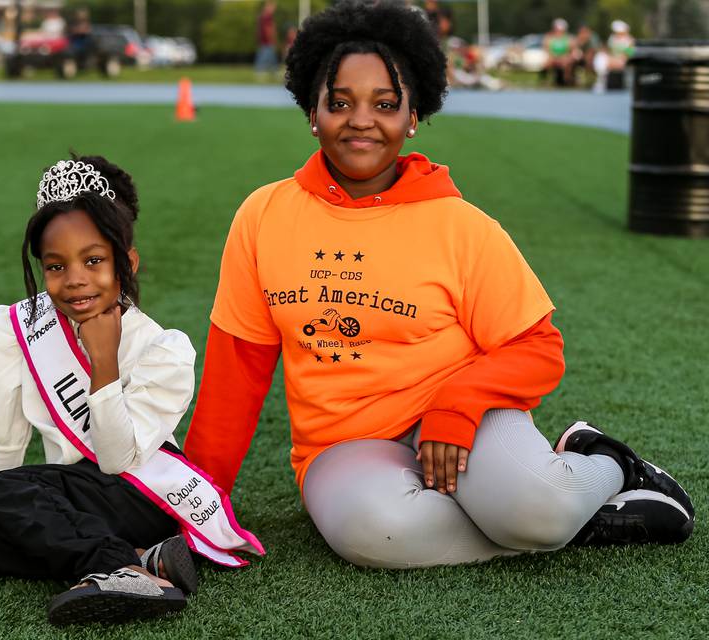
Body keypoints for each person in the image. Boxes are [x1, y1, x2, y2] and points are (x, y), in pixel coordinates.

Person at [183, 0, 694, 569]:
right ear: (312, 109)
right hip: (343, 446)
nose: (361, 121)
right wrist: (197, 499)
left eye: (385, 104)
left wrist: (456, 406)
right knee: (375, 534)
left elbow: (538, 346)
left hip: (462, 418)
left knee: (541, 509)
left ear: (413, 115)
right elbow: (238, 367)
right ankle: (573, 522)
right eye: (340, 103)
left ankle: (606, 463)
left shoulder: (459, 224)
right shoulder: (263, 216)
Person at [0, 155, 263, 624]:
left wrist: (103, 362)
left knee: (9, 491)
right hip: (62, 500)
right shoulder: (15, 326)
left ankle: (113, 567)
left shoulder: (164, 349)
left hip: (138, 497)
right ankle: (146, 560)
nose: (75, 280)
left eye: (93, 260)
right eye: (56, 266)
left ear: (126, 261)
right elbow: (5, 436)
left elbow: (117, 459)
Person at [593, 20, 635, 93]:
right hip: (613, 60)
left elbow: (627, 55)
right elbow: (610, 52)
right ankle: (601, 82)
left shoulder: (630, 41)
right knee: (600, 57)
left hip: (624, 61)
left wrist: (616, 59)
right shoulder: (612, 39)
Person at [543, 18, 576, 86]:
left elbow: (572, 51)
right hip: (553, 57)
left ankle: (567, 80)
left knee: (567, 63)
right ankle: (545, 80)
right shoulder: (549, 37)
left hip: (564, 58)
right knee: (548, 62)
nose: (558, 31)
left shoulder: (568, 38)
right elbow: (547, 50)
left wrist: (565, 57)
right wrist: (555, 57)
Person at [254, 0, 278, 81]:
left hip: (265, 40)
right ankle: (260, 72)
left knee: (271, 57)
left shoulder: (264, 16)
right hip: (266, 41)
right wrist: (271, 38)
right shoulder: (266, 16)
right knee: (264, 56)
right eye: (272, 7)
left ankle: (274, 72)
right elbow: (267, 29)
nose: (274, 9)